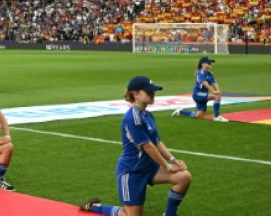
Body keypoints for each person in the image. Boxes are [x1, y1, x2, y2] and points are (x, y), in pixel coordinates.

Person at [80, 76, 192, 216]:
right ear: (136, 94)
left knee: (184, 177)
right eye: (149, 92)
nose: (153, 94)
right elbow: (148, 147)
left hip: (149, 168)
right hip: (132, 171)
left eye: (153, 92)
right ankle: (95, 206)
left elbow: (157, 141)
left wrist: (173, 160)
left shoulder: (148, 115)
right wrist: (168, 167)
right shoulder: (133, 117)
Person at [172, 56, 227, 122]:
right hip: (197, 94)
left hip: (204, 95)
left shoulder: (210, 74)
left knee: (199, 116)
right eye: (208, 63)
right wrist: (213, 91)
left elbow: (214, 83)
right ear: (203, 64)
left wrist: (218, 90)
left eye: (210, 63)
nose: (210, 65)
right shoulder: (200, 73)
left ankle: (180, 111)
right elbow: (204, 82)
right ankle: (216, 116)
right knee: (216, 97)